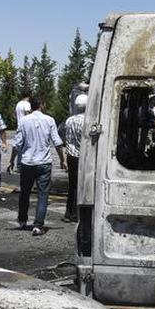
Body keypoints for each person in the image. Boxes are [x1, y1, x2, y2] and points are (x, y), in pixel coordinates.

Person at [9, 96, 65, 235]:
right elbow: (57, 142)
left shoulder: (23, 121)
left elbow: (17, 144)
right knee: (43, 194)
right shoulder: (49, 120)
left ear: (31, 106)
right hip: (44, 162)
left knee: (25, 193)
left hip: (27, 162)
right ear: (42, 105)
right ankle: (38, 225)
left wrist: (12, 160)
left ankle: (22, 220)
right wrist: (62, 159)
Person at [62, 94, 87, 222]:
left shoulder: (69, 120)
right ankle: (76, 214)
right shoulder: (87, 121)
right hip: (83, 156)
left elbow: (67, 139)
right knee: (81, 185)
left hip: (71, 156)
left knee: (72, 185)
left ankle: (68, 212)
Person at [12, 89, 32, 173]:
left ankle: (19, 165)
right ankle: (22, 165)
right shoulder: (27, 104)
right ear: (29, 96)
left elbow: (14, 115)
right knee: (26, 146)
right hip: (26, 127)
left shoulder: (18, 104)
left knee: (19, 146)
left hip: (19, 126)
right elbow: (28, 114)